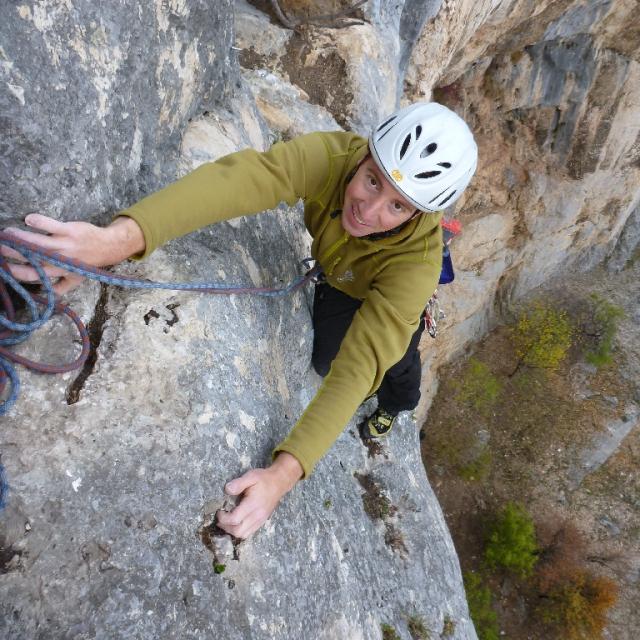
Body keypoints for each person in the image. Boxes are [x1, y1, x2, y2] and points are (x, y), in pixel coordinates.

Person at [3, 102, 477, 539]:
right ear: (364, 157)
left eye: (398, 206)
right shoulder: (334, 156)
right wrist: (118, 240)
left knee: (391, 361)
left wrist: (283, 474)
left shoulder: (415, 265)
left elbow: (359, 369)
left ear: (420, 214)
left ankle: (398, 402)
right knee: (322, 358)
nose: (369, 209)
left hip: (384, 297)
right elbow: (243, 180)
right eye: (372, 180)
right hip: (340, 277)